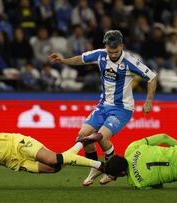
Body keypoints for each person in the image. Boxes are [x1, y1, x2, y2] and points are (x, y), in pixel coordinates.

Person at [49, 30, 157, 186]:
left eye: (116, 51)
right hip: (103, 105)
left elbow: (152, 77)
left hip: (122, 108)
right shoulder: (100, 54)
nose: (112, 55)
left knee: (102, 137)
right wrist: (63, 61)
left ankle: (111, 172)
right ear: (105, 47)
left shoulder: (130, 61)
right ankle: (96, 167)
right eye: (110, 51)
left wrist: (148, 101)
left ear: (122, 46)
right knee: (83, 136)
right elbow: (81, 59)